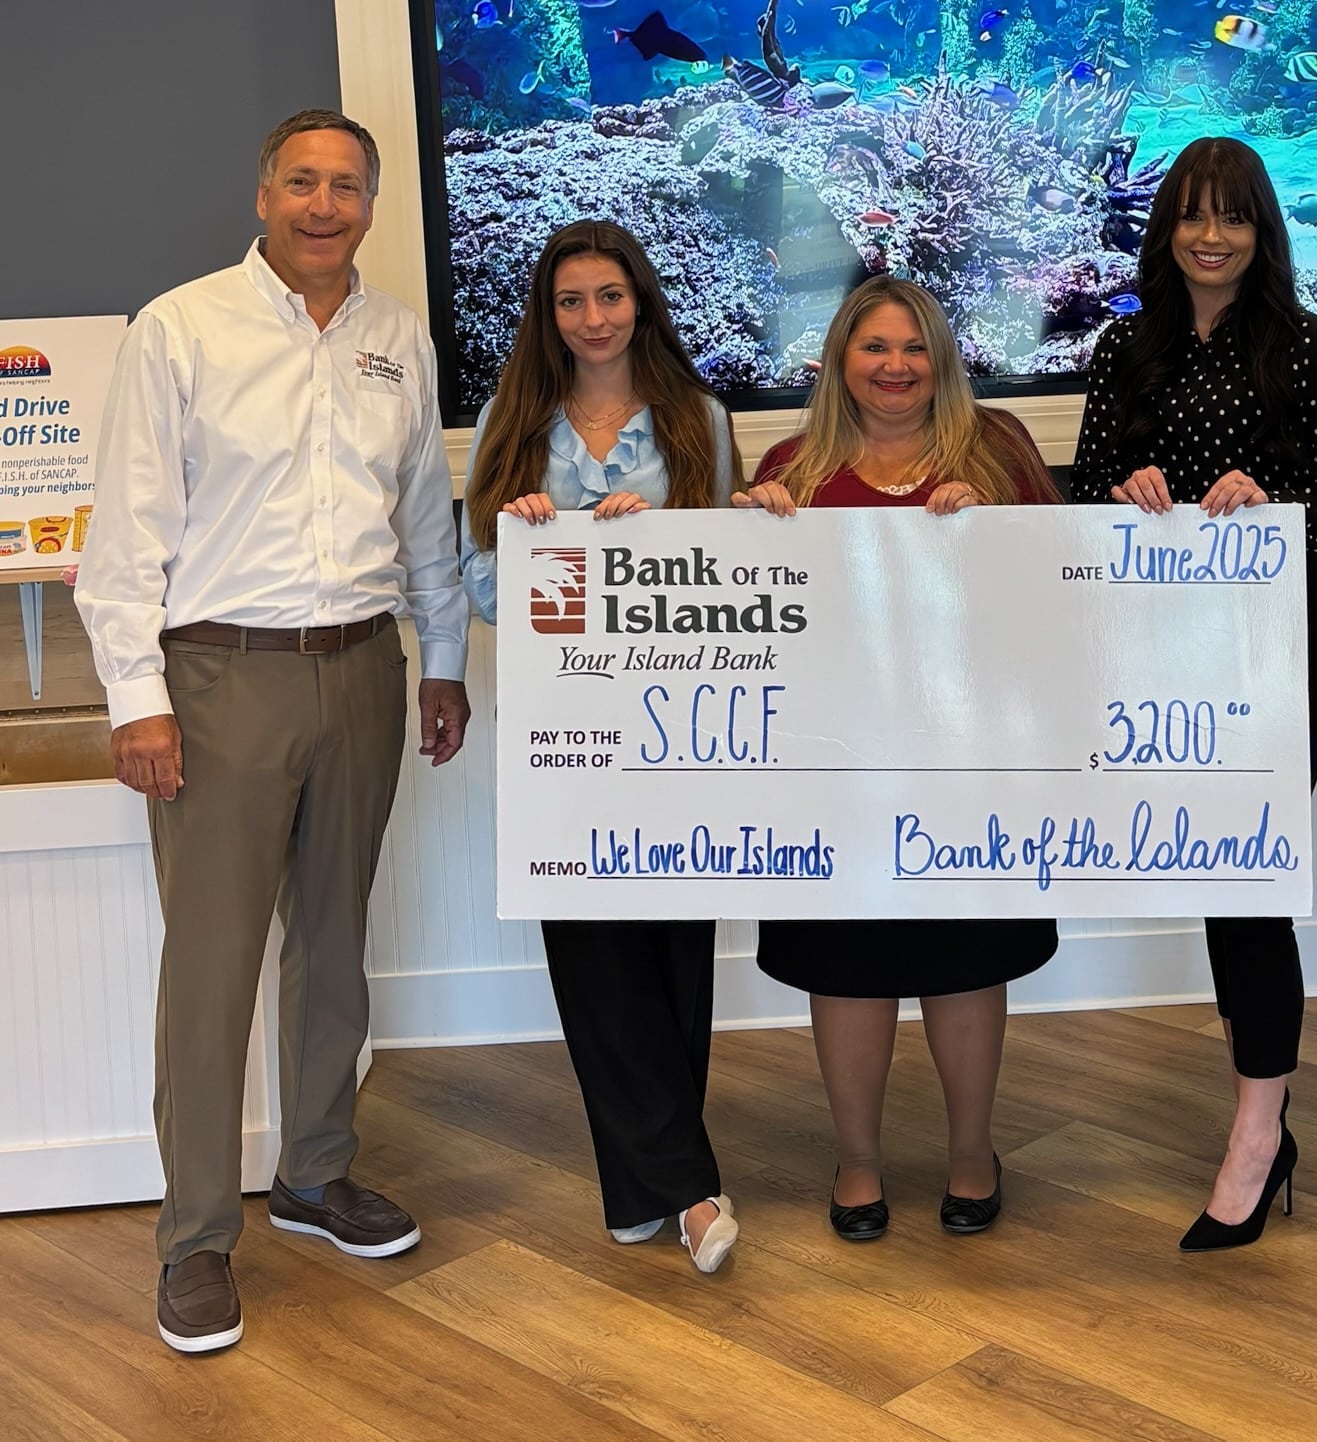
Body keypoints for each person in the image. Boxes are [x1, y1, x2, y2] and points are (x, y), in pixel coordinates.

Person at [75, 110, 472, 1354]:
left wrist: (442, 663)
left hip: (360, 669)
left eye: (344, 184)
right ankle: (195, 1239)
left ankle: (313, 1170)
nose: (322, 202)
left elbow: (422, 522)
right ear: (261, 194)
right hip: (218, 679)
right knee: (210, 969)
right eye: (300, 181)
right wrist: (136, 696)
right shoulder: (180, 328)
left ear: (371, 202)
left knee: (335, 943)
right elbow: (128, 535)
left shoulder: (395, 338)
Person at [1069, 136, 1317, 1251]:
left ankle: (1256, 1132)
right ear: (1165, 229)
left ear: (1260, 230)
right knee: (1211, 871)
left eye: (1231, 217)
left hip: (1272, 646)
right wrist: (1125, 488)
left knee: (1247, 881)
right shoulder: (1122, 349)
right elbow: (1087, 488)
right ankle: (1262, 1096)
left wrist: (1270, 496)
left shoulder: (1313, 348)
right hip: (1157, 646)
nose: (1210, 236)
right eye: (1191, 215)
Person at [738, 275, 1060, 1241]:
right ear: (841, 359)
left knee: (966, 958)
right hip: (835, 768)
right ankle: (859, 1160)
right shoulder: (792, 464)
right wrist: (750, 534)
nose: (896, 367)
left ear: (943, 362)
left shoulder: (997, 449)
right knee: (848, 964)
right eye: (875, 347)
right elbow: (748, 621)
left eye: (915, 348)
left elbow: (1069, 584)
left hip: (972, 757)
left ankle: (972, 1153)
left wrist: (996, 524)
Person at [461, 219, 744, 1272]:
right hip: (564, 737)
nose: (591, 319)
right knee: (593, 960)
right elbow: (481, 585)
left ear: (641, 302)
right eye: (571, 301)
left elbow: (728, 573)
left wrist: (658, 540)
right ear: (548, 313)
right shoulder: (512, 419)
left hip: (678, 731)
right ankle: (693, 1194)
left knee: (674, 961)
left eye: (610, 297)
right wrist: (535, 539)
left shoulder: (697, 419)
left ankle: (646, 1189)